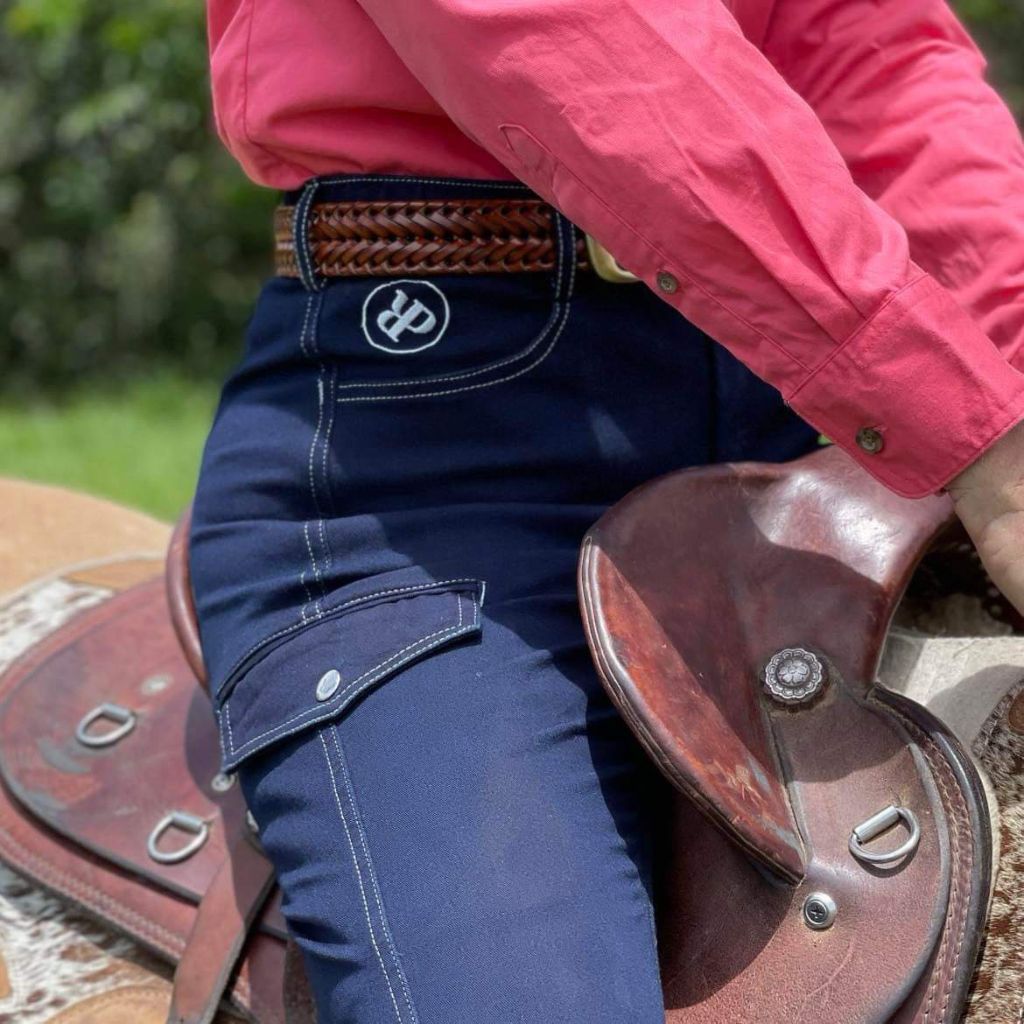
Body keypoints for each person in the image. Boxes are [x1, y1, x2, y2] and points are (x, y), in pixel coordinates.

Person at [191, 1, 1024, 1020]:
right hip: (448, 452)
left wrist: (1007, 376)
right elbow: (575, 39)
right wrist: (977, 430)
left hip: (824, 437)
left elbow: (874, 53)